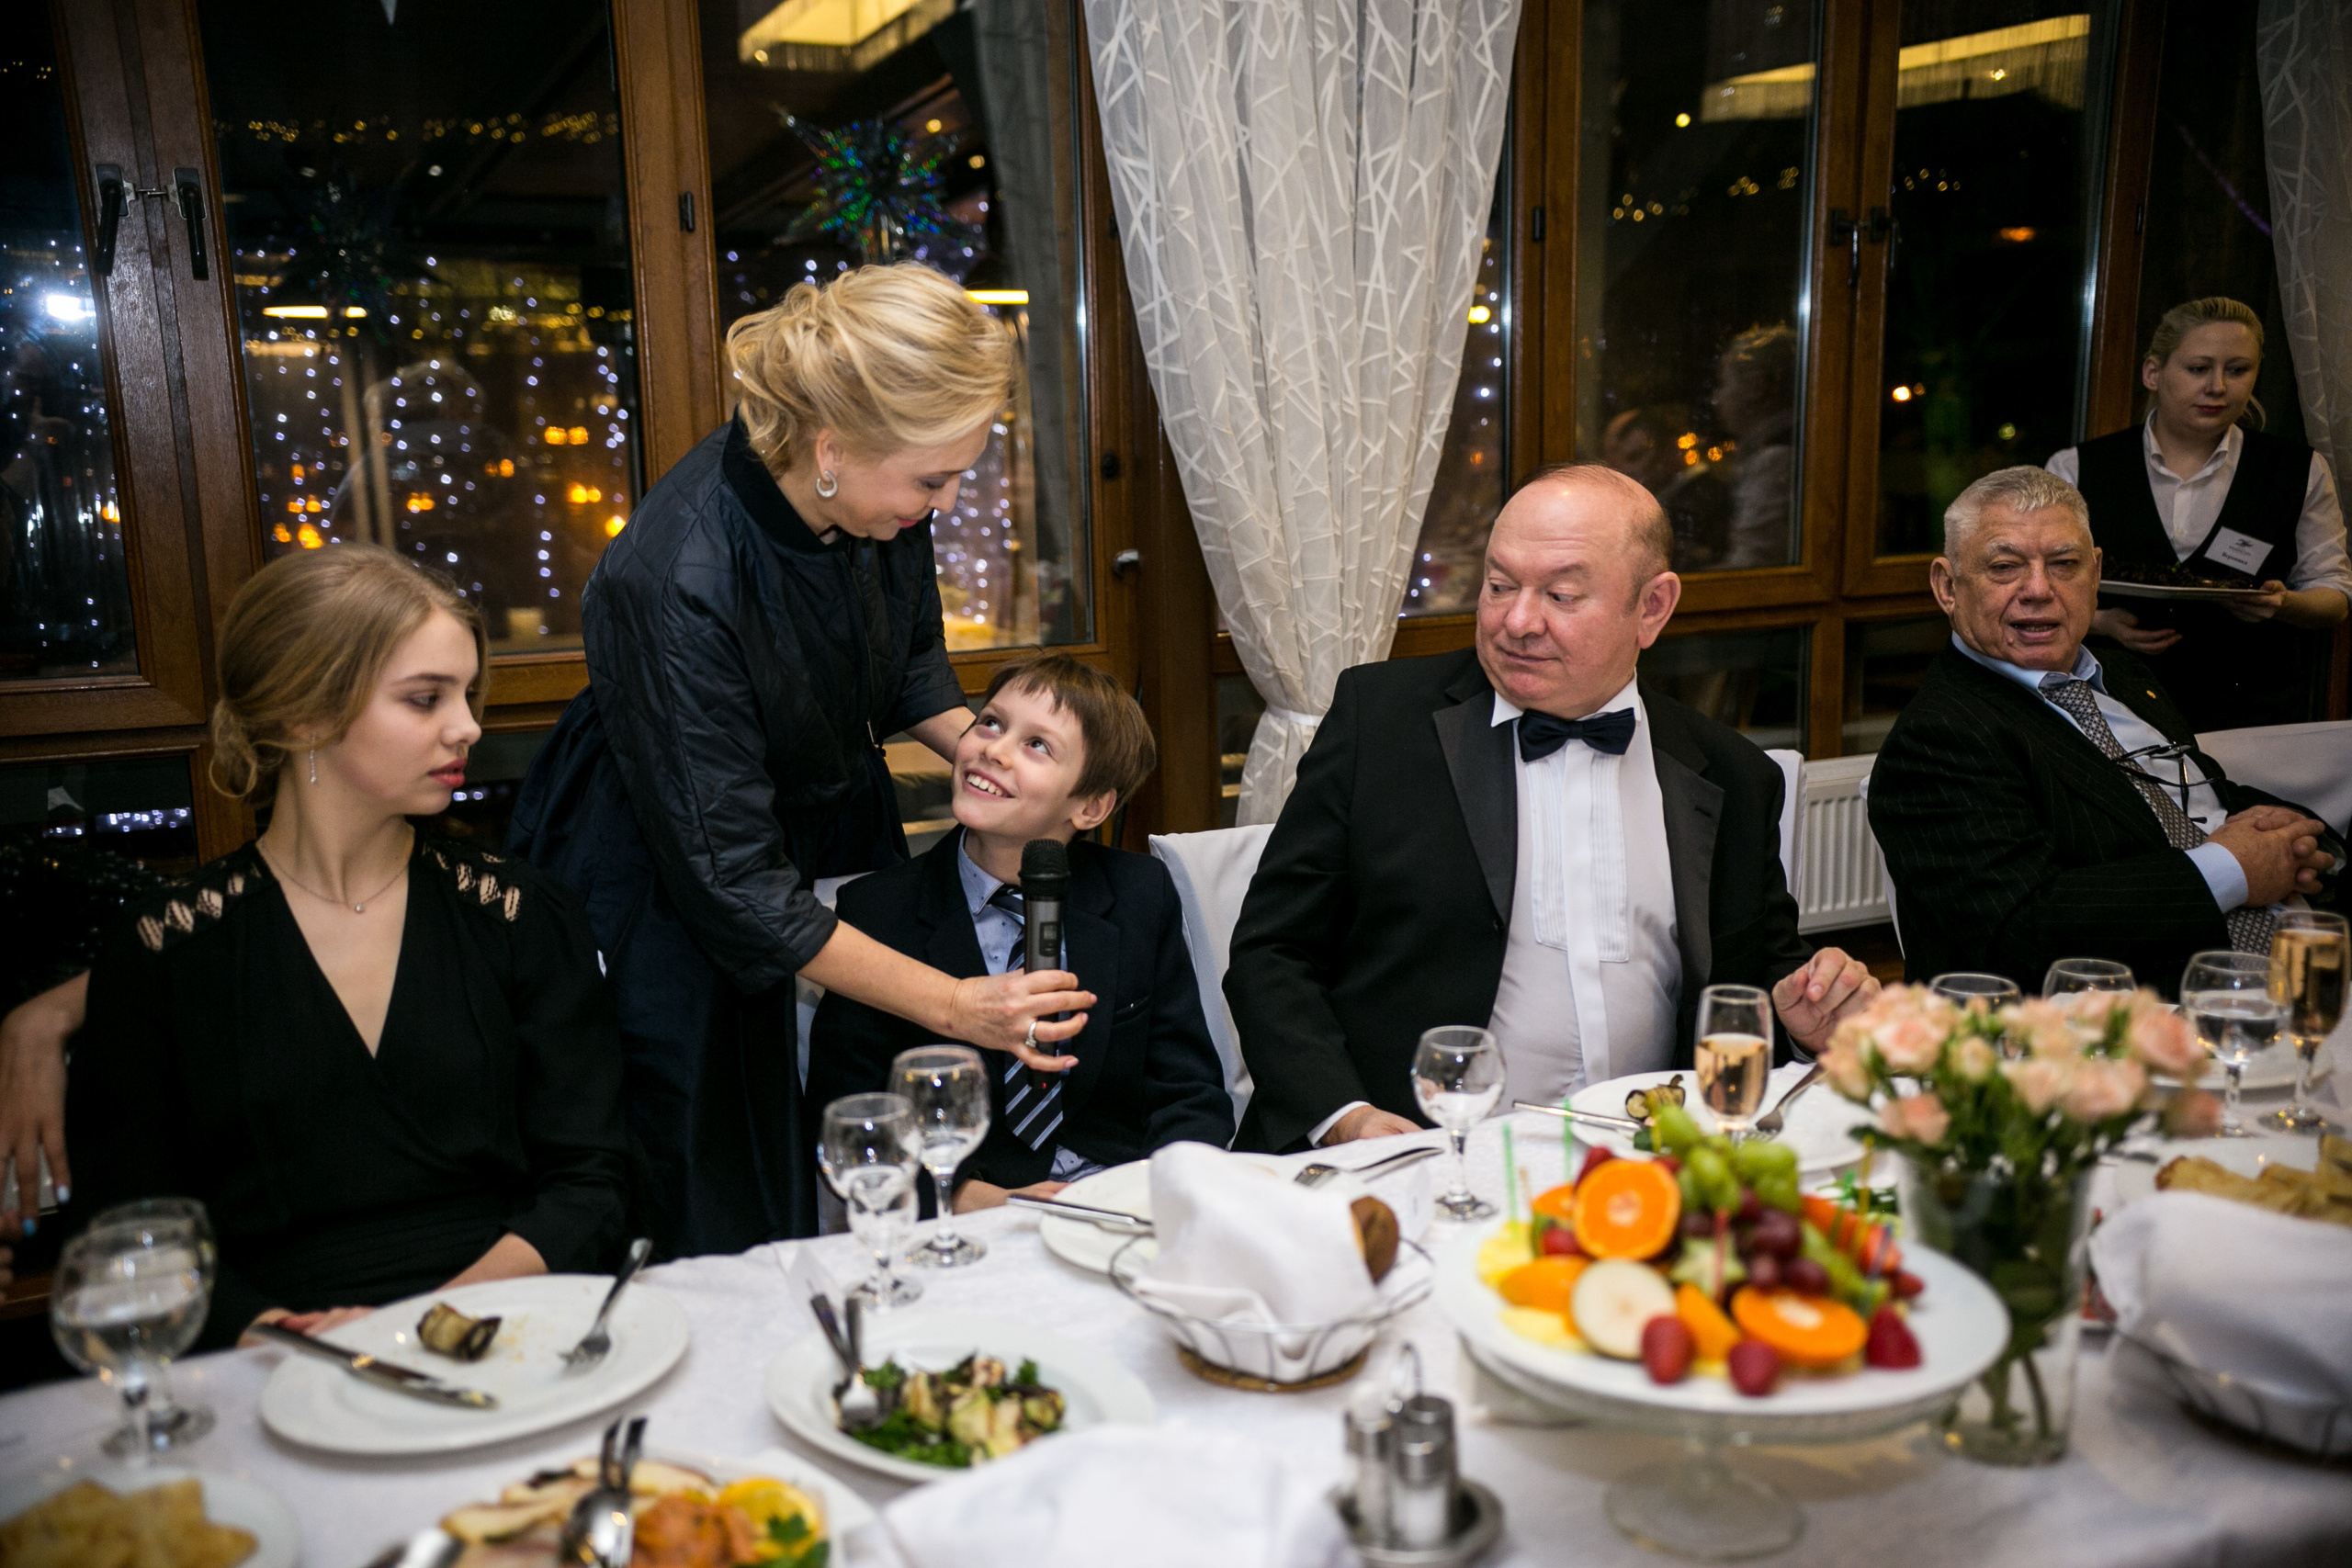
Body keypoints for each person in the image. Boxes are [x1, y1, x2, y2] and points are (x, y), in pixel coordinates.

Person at [503, 264, 1092, 1258]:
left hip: (821, 815)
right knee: (716, 1166)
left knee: (850, 1125)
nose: (943, 503)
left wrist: (1022, 772)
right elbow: (735, 884)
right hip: (670, 865)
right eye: (932, 480)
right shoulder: (674, 576)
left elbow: (909, 670)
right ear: (831, 448)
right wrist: (954, 1004)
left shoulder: (881, 502)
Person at [62, 547, 628, 1350]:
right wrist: (271, 1333)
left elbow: (593, 1182)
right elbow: (125, 1227)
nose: (466, 725)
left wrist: (420, 1325)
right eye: (425, 697)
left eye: (466, 694)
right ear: (305, 714)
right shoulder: (165, 948)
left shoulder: (521, 915)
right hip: (266, 1364)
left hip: (506, 1333)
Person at [1224, 465, 1876, 1155]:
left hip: (1647, 1156)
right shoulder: (1379, 724)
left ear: (1651, 608)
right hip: (1417, 1152)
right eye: (1499, 585)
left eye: (1561, 595)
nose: (1516, 620)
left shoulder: (1731, 774)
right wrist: (1346, 1114)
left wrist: (1808, 1013)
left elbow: (1757, 973)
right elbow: (1273, 951)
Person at [1868, 466, 2338, 994]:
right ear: (1948, 587)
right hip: (2121, 1023)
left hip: (2294, 958)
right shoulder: (1939, 740)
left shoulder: (2125, 675)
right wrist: (2232, 869)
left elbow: (2188, 797)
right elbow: (2025, 927)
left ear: (2094, 575)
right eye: (2005, 567)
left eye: (2064, 565)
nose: (2039, 590)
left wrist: (2299, 840)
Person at [807, 654, 1232, 1212]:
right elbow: (849, 1111)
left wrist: (1161, 1194)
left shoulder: (1138, 893)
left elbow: (1188, 1089)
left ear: (1090, 805)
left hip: (1123, 1196)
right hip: (972, 1209)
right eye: (991, 722)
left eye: (1038, 745)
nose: (994, 749)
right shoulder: (877, 912)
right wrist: (973, 1198)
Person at [2047, 296, 2350, 730]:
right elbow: (2041, 586)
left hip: (2252, 714)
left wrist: (2284, 604)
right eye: (2198, 368)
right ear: (2153, 373)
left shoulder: (2297, 470)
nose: (2218, 387)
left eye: (2238, 370)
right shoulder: (2075, 468)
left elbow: (2335, 595)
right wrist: (2100, 623)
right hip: (2115, 713)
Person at [1602, 406, 1731, 573]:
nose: (1626, 470)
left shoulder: (1696, 501)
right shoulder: (1674, 497)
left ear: (1671, 451)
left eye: (1636, 456)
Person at [1711, 324, 1798, 571]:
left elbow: (1750, 568)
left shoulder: (1777, 461)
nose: (1717, 398)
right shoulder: (1779, 450)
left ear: (1755, 388)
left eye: (1724, 383)